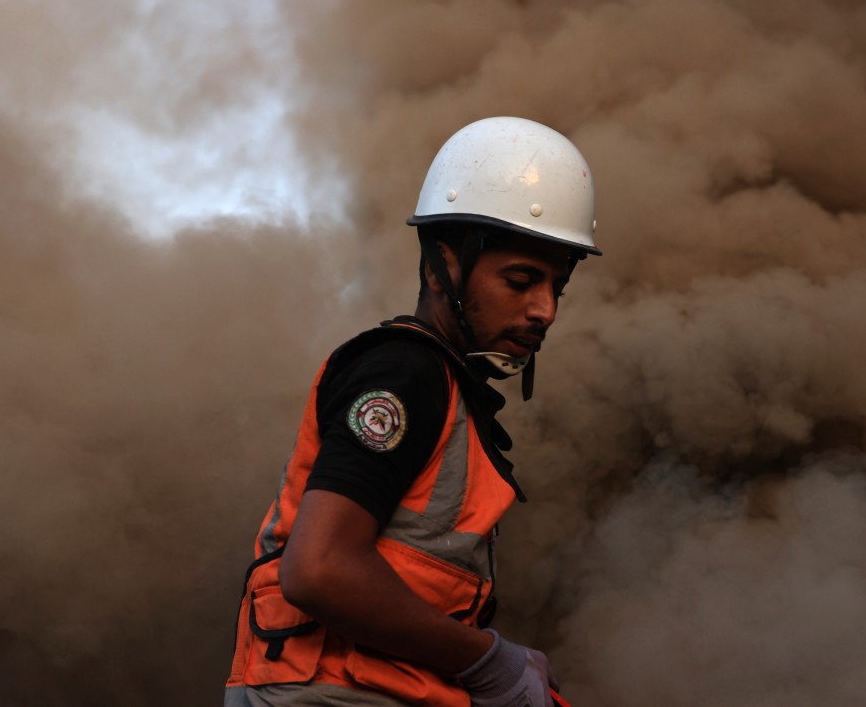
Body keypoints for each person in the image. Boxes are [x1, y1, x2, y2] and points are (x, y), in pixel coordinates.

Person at [225, 116, 601, 707]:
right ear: (442, 264)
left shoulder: (446, 386)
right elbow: (318, 570)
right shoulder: (404, 374)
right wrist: (488, 661)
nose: (544, 311)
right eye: (522, 280)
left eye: (557, 287)